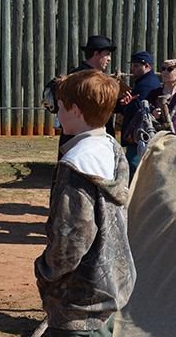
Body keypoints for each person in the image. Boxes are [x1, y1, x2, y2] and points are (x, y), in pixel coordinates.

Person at [35, 69, 136, 336]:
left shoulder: (76, 166)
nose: (57, 115)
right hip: (110, 291)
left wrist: (44, 270)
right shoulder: (113, 150)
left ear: (75, 110)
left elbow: (71, 243)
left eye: (59, 107)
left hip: (77, 307)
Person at [58, 36, 117, 158]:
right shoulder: (76, 79)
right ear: (96, 54)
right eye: (107, 54)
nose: (109, 59)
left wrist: (119, 104)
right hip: (79, 135)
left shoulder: (101, 77)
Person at [116, 51, 161, 181]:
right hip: (138, 135)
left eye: (136, 66)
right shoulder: (144, 82)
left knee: (134, 170)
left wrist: (124, 106)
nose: (133, 69)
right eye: (133, 65)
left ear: (146, 66)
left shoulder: (147, 84)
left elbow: (137, 109)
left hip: (139, 135)